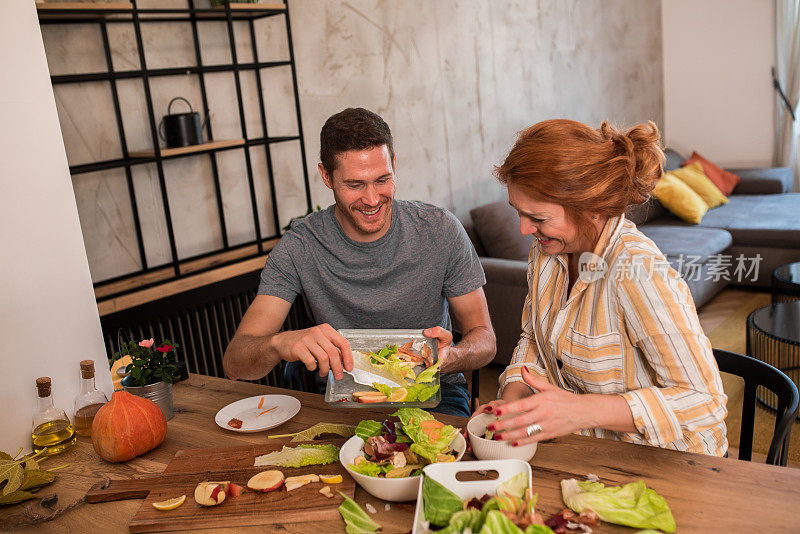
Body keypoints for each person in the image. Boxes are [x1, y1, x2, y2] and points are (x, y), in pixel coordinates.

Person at [223, 107, 496, 417]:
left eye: (382, 180)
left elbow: (485, 338)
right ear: (326, 176)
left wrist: (453, 357)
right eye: (354, 185)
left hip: (434, 392)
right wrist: (279, 344)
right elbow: (235, 363)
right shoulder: (299, 247)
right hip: (343, 398)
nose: (371, 199)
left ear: (394, 164)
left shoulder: (440, 230)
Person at [480, 119, 728, 456]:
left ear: (590, 207)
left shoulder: (636, 269)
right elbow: (533, 340)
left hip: (670, 460)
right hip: (591, 450)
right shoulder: (548, 251)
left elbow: (706, 401)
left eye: (538, 218)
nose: (525, 229)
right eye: (518, 213)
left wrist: (580, 410)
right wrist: (512, 405)